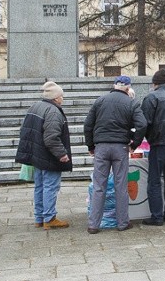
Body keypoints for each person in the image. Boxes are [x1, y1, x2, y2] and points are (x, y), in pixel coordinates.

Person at [84, 75, 147, 234]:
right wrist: (134, 144)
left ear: (114, 86)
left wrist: (91, 145)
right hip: (120, 148)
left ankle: (93, 225)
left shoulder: (100, 101)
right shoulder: (131, 102)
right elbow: (142, 124)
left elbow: (88, 125)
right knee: (121, 186)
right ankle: (122, 223)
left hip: (101, 147)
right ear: (128, 88)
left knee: (99, 186)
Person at [15, 81, 72, 229]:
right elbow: (51, 137)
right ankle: (49, 218)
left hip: (37, 154)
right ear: (56, 98)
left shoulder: (36, 106)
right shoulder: (53, 111)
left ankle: (39, 218)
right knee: (50, 187)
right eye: (61, 96)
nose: (62, 99)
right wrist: (62, 154)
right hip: (48, 156)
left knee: (39, 186)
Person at [134, 69, 165, 226]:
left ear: (154, 83)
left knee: (154, 180)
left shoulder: (151, 97)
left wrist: (136, 142)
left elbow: (144, 123)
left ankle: (157, 216)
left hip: (158, 143)